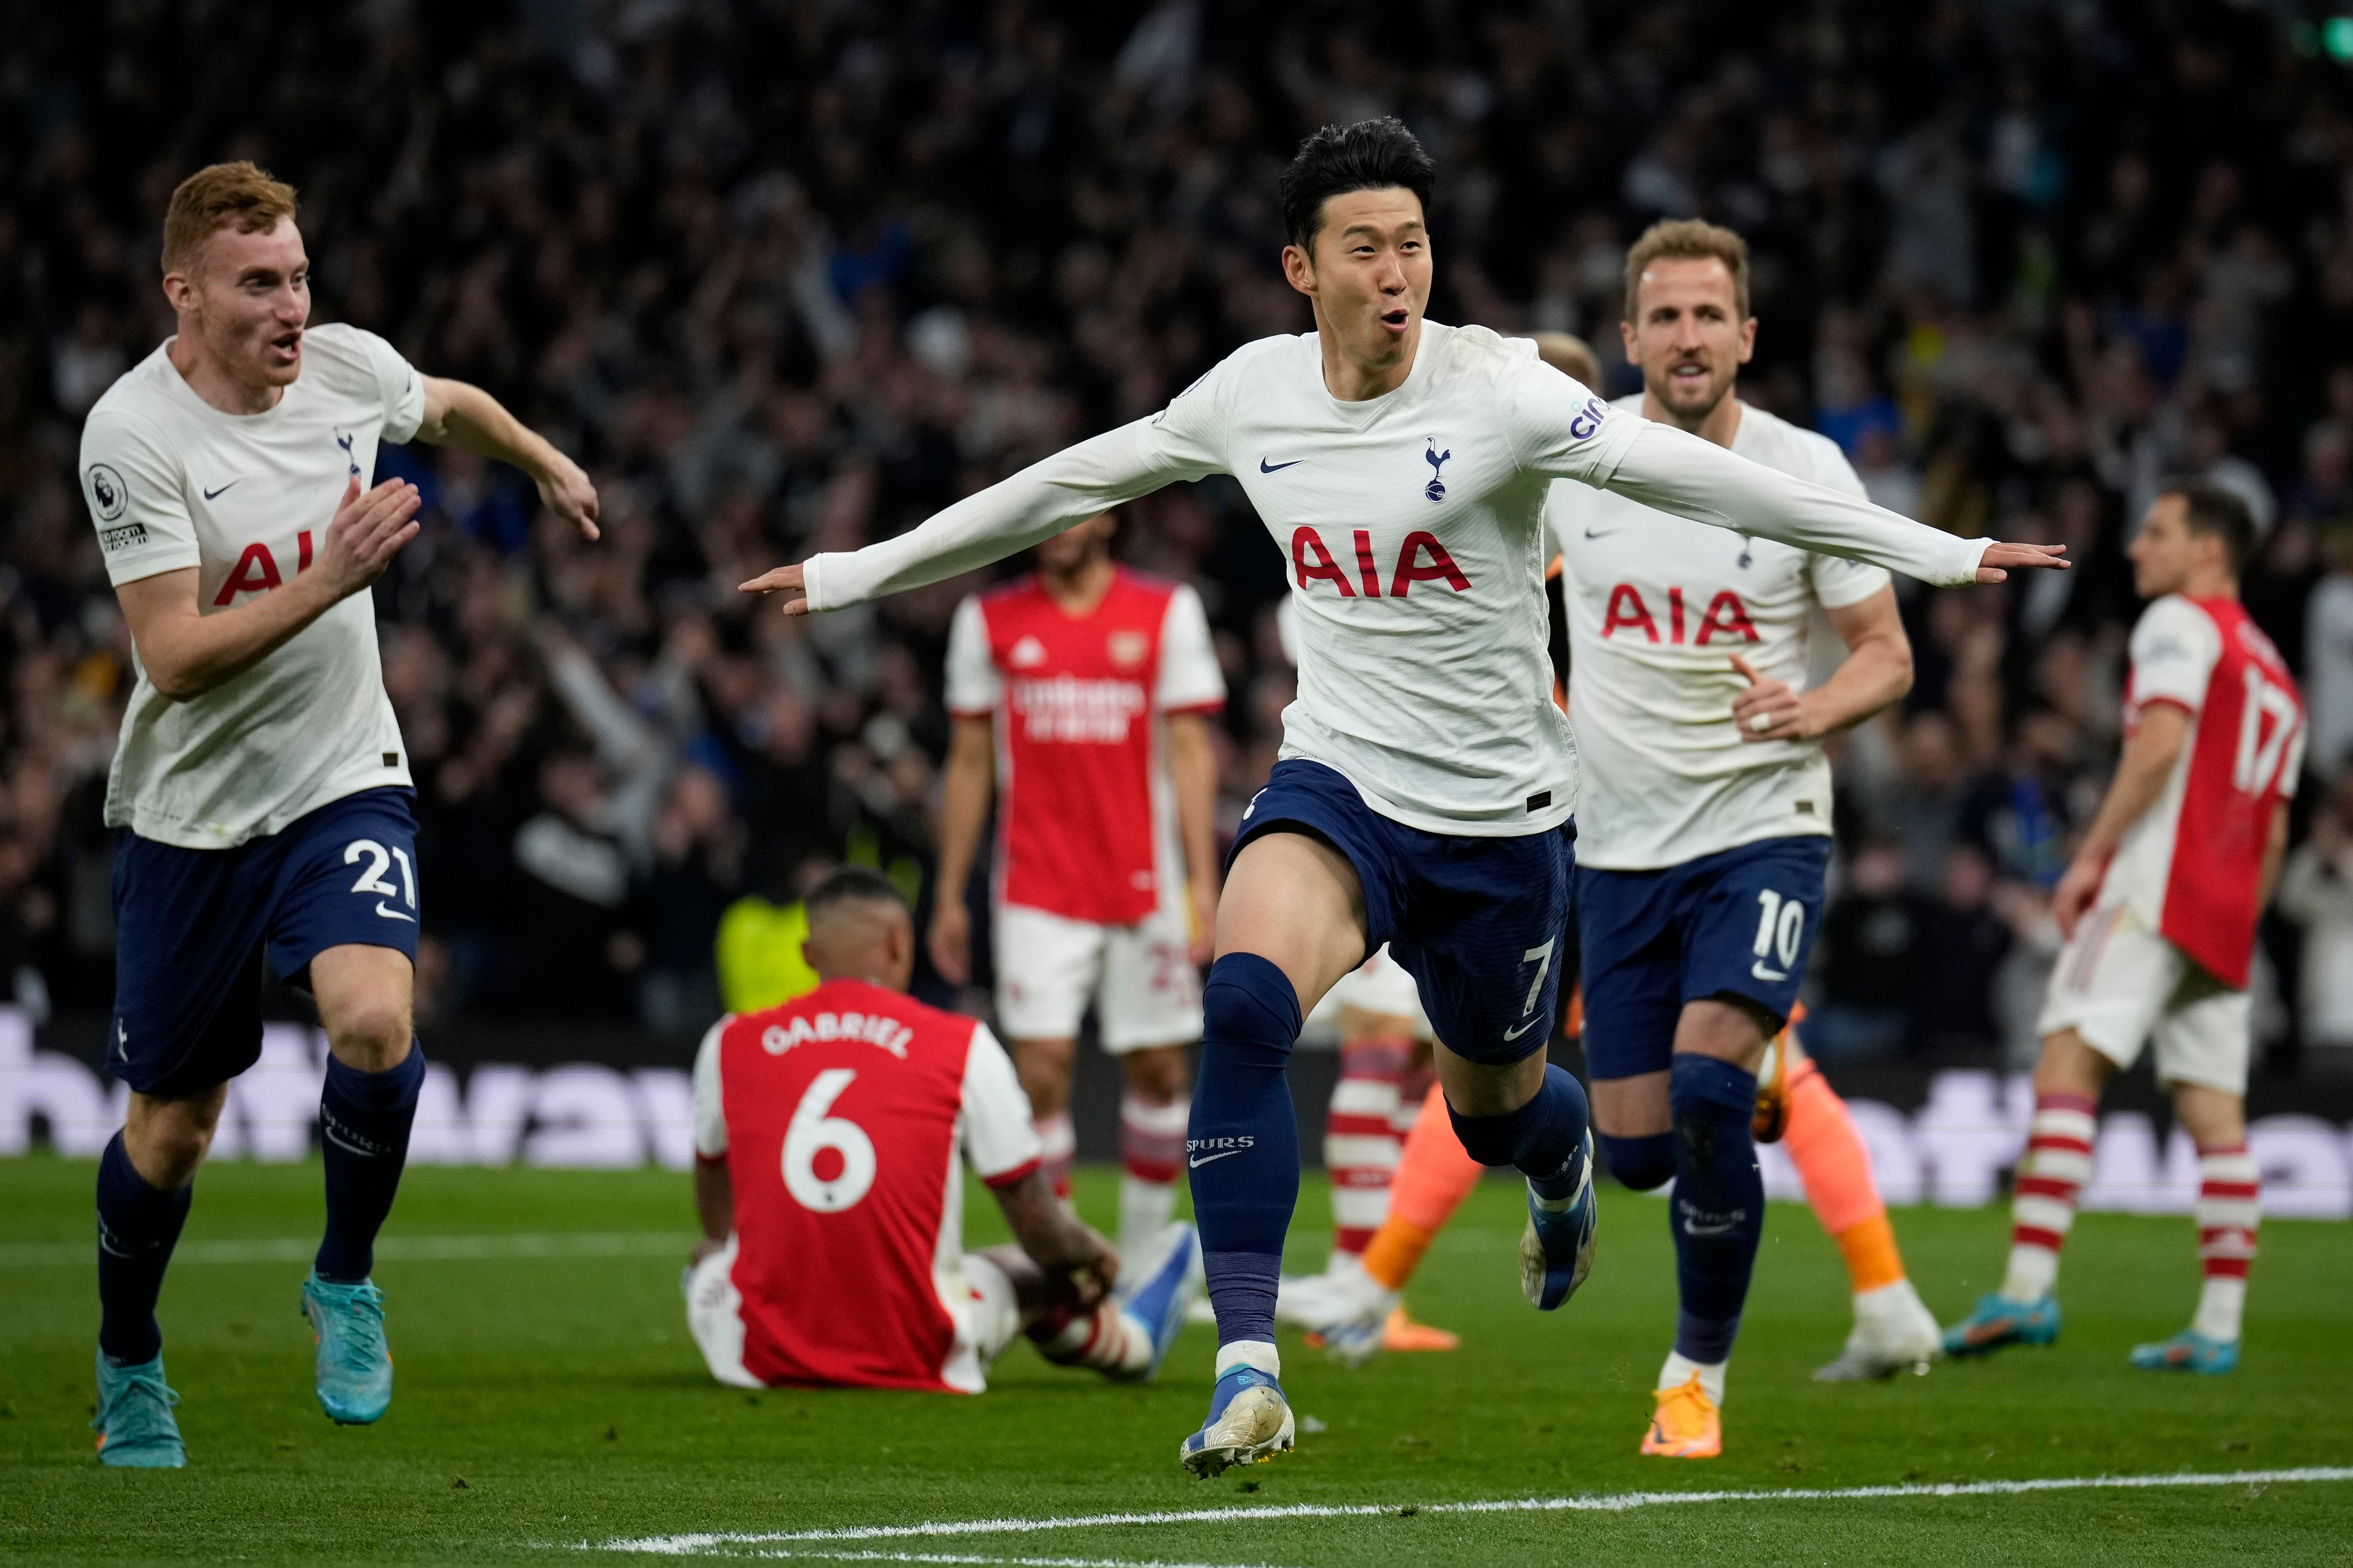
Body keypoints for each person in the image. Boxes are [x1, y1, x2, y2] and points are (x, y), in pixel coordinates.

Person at [741, 118, 2064, 1476]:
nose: (1397, 271)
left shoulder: (1498, 390)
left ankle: (1557, 1172)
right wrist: (853, 572)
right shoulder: (1251, 394)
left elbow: (1707, 473)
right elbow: (1068, 481)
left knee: (1500, 1110)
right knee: (1245, 1000)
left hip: (1500, 825)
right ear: (1300, 268)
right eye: (1364, 247)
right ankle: (1248, 1369)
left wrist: (1942, 551)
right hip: (1341, 780)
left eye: (1414, 245)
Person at [1295, 239, 1947, 1453]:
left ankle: (1691, 1381)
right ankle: (1698, 1106)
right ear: (1632, 337)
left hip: (1762, 830)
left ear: (1747, 336)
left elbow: (1886, 653)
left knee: (1707, 1090)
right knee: (1645, 1152)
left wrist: (1814, 708)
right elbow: (1476, 569)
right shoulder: (1580, 464)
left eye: (1712, 314)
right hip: (1612, 850)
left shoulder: (1805, 471)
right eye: (1666, 316)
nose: (1690, 335)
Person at [78, 163, 600, 1466]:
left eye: (300, 277)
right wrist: (330, 576)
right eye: (260, 283)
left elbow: (447, 405)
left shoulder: (346, 371)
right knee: (173, 1130)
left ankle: (345, 1276)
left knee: (374, 1017)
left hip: (338, 776)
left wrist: (538, 455)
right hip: (190, 815)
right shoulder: (131, 435)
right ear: (183, 293)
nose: (291, 305)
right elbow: (175, 657)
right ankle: (130, 1357)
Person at [1945, 480, 2303, 1376]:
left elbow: (2157, 745)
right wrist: (2237, 921)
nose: (2136, 548)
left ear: (2207, 551)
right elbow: (2276, 829)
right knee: (2214, 1113)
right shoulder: (2273, 671)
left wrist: (2090, 861)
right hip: (2224, 908)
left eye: (2156, 533)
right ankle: (2217, 1325)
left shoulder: (2180, 623)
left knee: (2068, 1061)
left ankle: (2025, 1293)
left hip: (2154, 884)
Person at [684, 868, 1200, 1392]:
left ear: (808, 954)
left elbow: (715, 1215)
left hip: (758, 1360)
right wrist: (1091, 1252)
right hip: (915, 1349)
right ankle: (1133, 1342)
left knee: (708, 1259)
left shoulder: (728, 1042)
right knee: (1026, 1270)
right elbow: (1039, 1230)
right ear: (897, 944)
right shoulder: (961, 1045)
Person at [932, 511, 1224, 1275]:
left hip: (1145, 884)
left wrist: (1204, 884)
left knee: (1161, 1070)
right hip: (1034, 883)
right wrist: (949, 895)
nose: (1056, 530)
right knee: (1042, 1072)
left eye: (1073, 513)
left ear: (1110, 518)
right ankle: (1068, 1270)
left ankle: (1138, 1264)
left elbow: (1191, 752)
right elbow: (968, 763)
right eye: (1042, 516)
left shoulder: (1166, 610)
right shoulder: (987, 620)